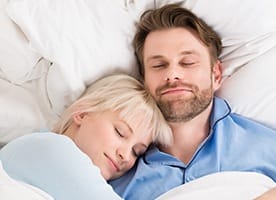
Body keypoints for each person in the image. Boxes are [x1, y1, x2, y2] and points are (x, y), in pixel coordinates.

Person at [109, 3, 276, 199]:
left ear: (216, 74)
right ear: (144, 81)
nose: (172, 74)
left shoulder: (268, 147)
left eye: (188, 62)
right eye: (159, 65)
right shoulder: (119, 179)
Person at [0, 73, 172, 200]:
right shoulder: (50, 148)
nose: (126, 156)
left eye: (137, 152)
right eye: (120, 132)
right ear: (82, 113)